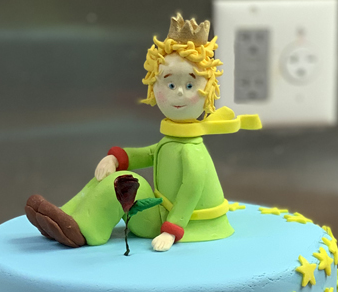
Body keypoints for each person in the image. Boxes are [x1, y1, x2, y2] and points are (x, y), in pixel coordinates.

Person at [25, 13, 259, 252]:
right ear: (154, 85)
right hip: (161, 210)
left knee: (122, 183)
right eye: (170, 84)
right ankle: (65, 216)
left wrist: (171, 230)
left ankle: (86, 231)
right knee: (109, 175)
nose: (179, 92)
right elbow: (149, 154)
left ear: (208, 90)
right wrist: (115, 158)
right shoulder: (172, 141)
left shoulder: (191, 151)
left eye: (190, 85)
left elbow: (191, 191)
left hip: (187, 223)